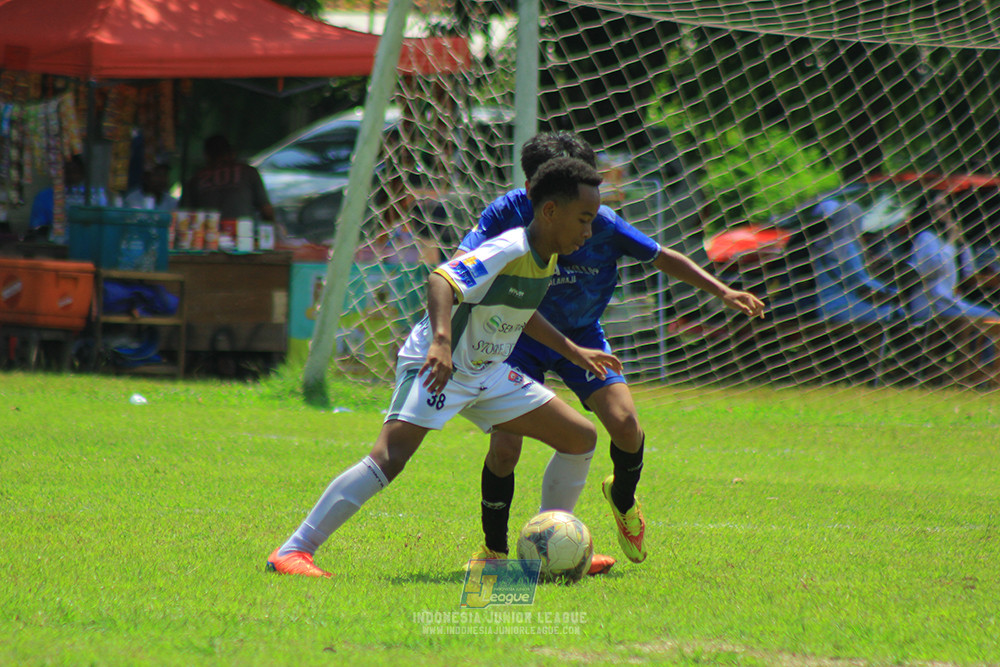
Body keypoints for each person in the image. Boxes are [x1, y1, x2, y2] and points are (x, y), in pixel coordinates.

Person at [267, 157, 623, 578]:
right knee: (390, 457)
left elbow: (521, 310)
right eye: (584, 219)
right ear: (549, 211)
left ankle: (553, 547)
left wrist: (572, 350)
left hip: (486, 371)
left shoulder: (546, 256)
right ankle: (294, 550)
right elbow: (442, 278)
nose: (588, 231)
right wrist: (441, 342)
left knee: (579, 437)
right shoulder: (510, 247)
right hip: (439, 365)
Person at [456, 132, 765, 569]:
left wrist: (723, 291)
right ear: (533, 188)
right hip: (519, 338)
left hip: (582, 335)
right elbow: (461, 262)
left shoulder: (601, 222)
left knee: (625, 424)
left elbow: (662, 256)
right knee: (506, 448)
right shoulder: (508, 212)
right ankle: (495, 551)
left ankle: (620, 498)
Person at [180, 134, 274, 222]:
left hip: (209, 231)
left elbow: (185, 215)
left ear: (206, 156)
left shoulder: (196, 179)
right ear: (231, 152)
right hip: (241, 231)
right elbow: (267, 211)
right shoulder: (248, 172)